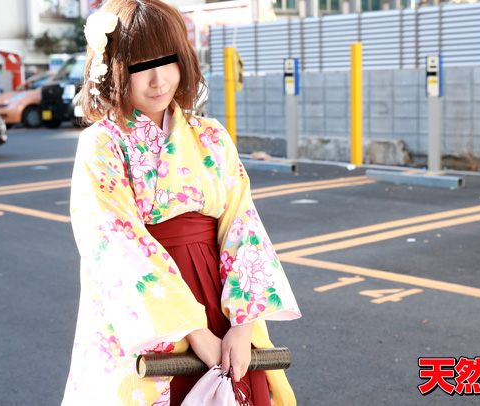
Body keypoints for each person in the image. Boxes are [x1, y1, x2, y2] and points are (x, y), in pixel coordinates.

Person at [61, 1, 301, 405]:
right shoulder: (102, 143)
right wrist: (195, 332)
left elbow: (242, 224)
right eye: (140, 66)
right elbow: (115, 242)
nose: (158, 80)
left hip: (222, 302)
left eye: (167, 61)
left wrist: (242, 324)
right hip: (152, 311)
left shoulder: (211, 135)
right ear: (113, 69)